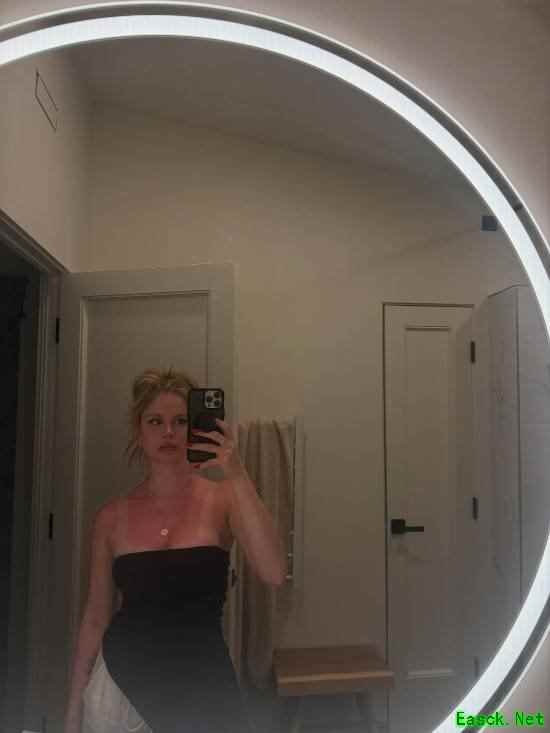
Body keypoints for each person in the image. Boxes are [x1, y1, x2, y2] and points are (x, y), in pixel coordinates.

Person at [63, 368, 286, 733]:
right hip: (121, 689)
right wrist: (74, 707)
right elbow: (95, 617)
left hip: (203, 685)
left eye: (180, 421)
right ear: (139, 432)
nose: (168, 431)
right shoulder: (111, 517)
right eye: (155, 421)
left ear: (195, 428)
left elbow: (274, 571)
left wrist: (236, 471)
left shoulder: (223, 500)